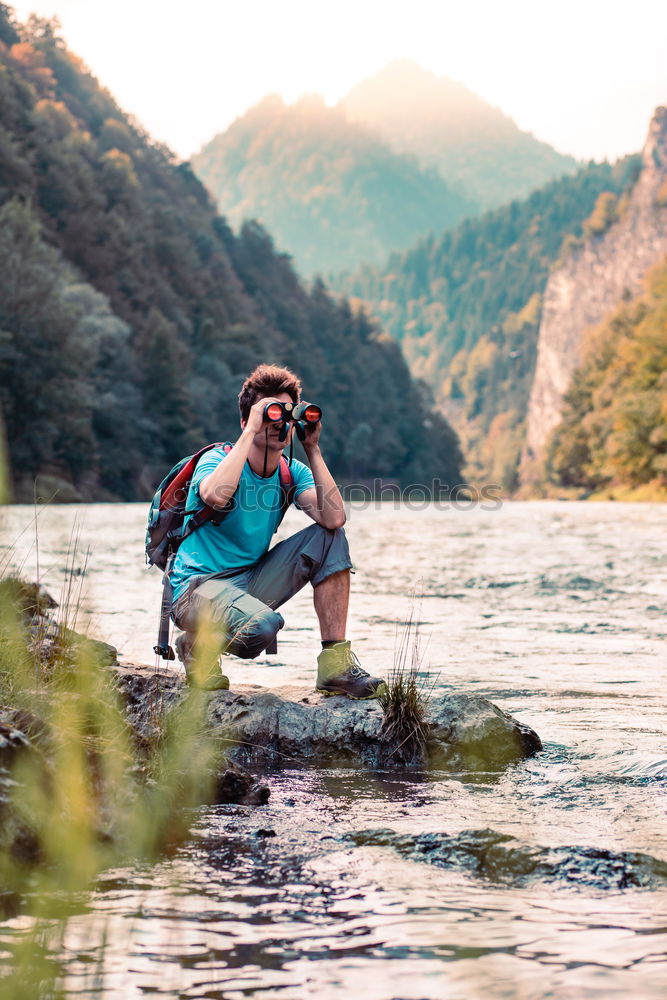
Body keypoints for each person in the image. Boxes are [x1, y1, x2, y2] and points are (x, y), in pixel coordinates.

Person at [169, 363, 386, 698]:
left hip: (248, 581)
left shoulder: (290, 471)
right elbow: (216, 494)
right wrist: (250, 431)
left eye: (286, 414)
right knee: (262, 628)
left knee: (330, 538)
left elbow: (334, 519)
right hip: (197, 590)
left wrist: (312, 448)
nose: (279, 423)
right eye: (270, 413)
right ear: (247, 419)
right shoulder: (216, 460)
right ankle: (196, 645)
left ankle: (335, 665)